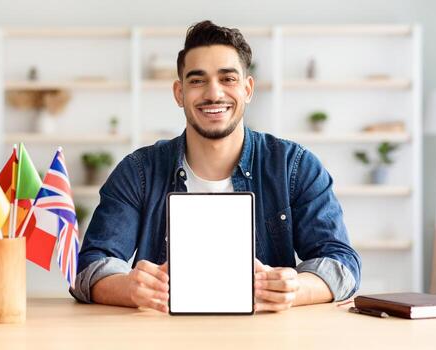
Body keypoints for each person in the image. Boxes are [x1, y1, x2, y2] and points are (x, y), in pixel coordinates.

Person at [71, 20, 361, 313]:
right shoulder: (138, 171)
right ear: (179, 93)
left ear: (247, 89)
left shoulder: (294, 166)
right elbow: (90, 266)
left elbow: (341, 263)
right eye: (197, 80)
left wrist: (293, 289)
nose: (213, 93)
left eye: (228, 79)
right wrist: (129, 288)